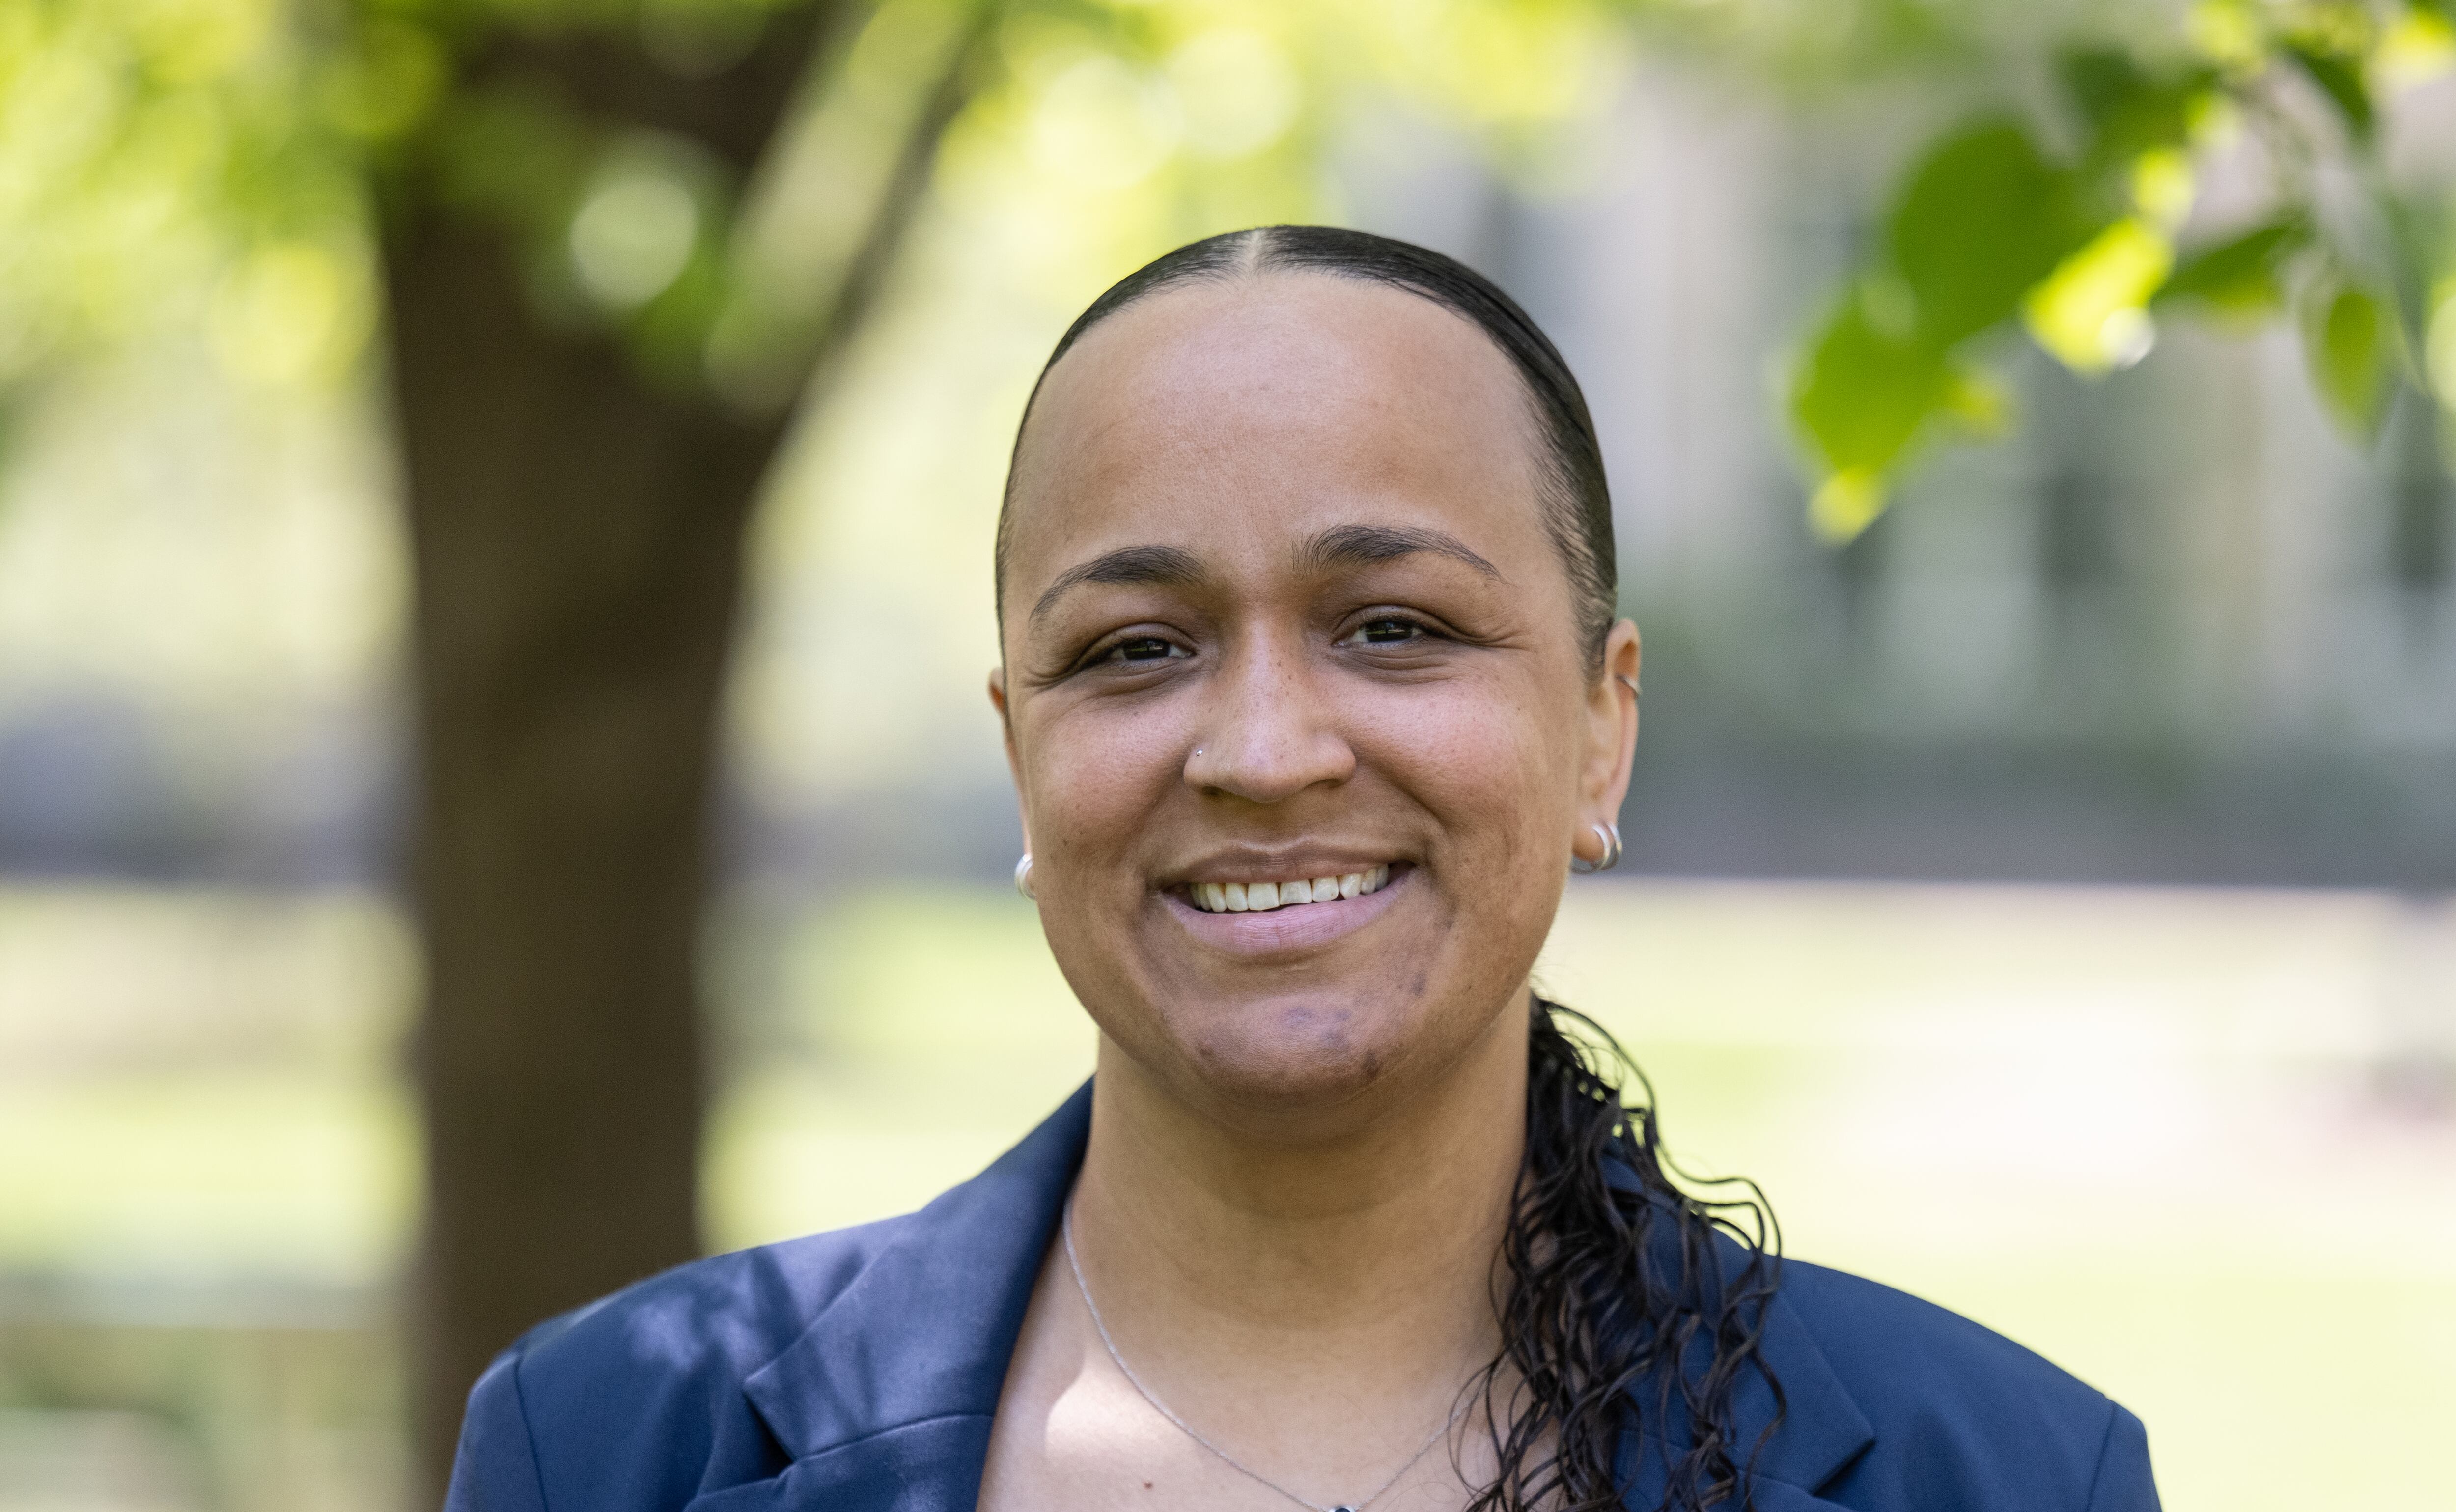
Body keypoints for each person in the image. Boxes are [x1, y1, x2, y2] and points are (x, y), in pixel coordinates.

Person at [443, 226, 2160, 1512]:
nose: (1264, 752)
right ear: (1019, 753)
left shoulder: (2001, 1474)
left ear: (1600, 729)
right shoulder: (607, 1445)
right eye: (1132, 649)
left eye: (1394, 627)